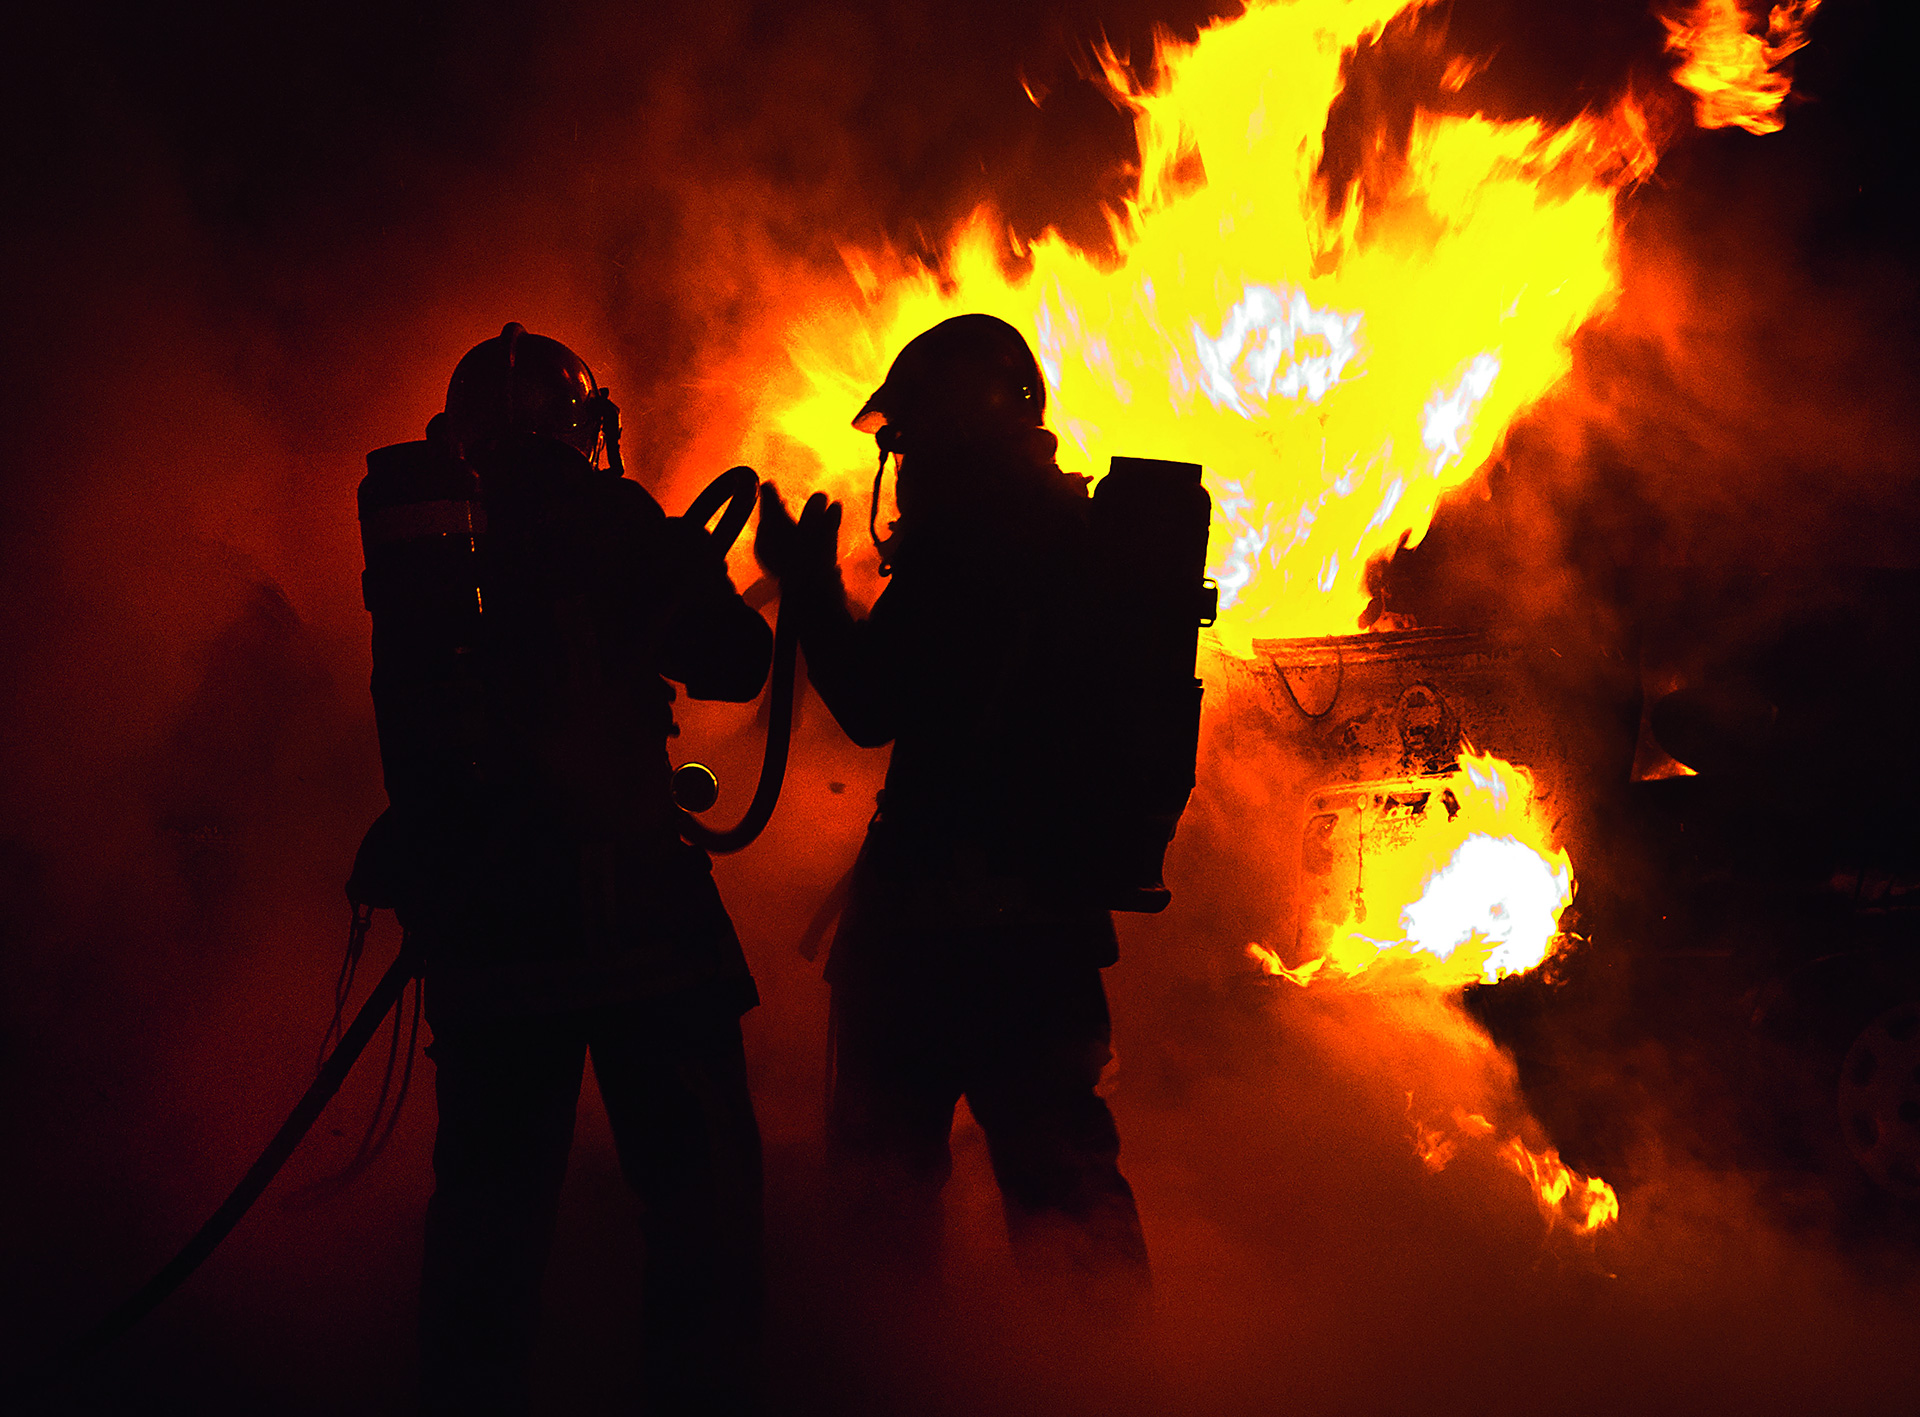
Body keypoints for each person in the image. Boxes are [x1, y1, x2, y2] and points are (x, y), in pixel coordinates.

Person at [356, 323, 772, 1415]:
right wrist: (703, 567)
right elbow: (734, 662)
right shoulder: (613, 517)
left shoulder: (434, 539)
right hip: (641, 928)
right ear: (585, 427)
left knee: (488, 1236)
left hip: (494, 940)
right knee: (703, 1215)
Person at [753, 314, 1151, 1298]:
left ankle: (902, 1375)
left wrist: (807, 590)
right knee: (1066, 1187)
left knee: (881, 1193)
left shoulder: (970, 540)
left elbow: (872, 702)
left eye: (908, 436)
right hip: (1048, 932)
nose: (903, 460)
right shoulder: (1075, 536)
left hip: (931, 935)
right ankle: (1111, 1378)